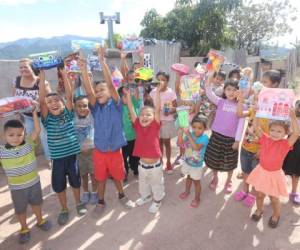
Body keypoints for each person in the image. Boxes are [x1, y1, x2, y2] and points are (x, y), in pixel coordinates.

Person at [79, 47, 134, 215]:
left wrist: (102, 61)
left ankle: (122, 195)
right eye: (97, 91)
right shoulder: (95, 108)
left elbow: (110, 83)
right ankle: (101, 201)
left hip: (115, 151)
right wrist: (83, 70)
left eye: (101, 90)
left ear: (111, 92)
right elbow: (88, 91)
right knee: (100, 178)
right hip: (100, 151)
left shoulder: (116, 104)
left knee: (118, 176)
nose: (98, 92)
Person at [39, 69, 87, 226]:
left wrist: (63, 73)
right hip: (58, 160)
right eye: (49, 102)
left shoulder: (67, 113)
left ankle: (79, 203)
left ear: (63, 103)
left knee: (75, 182)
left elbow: (69, 93)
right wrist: (42, 77)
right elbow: (41, 101)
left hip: (72, 157)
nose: (53, 104)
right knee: (59, 186)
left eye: (56, 101)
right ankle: (64, 209)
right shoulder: (47, 119)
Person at [0, 106, 52, 244]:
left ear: (24, 134)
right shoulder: (2, 151)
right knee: (20, 209)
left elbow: (37, 130)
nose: (16, 138)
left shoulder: (29, 143)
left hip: (34, 183)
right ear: (4, 136)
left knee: (36, 204)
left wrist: (34, 112)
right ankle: (24, 228)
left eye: (19, 134)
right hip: (17, 188)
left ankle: (40, 220)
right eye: (11, 135)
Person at [234, 69, 283, 206]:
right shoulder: (253, 109)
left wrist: (262, 150)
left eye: (265, 82)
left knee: (256, 176)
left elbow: (275, 135)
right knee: (245, 171)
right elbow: (239, 114)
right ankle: (245, 190)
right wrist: (241, 100)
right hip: (246, 147)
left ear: (274, 84)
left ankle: (252, 195)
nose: (261, 84)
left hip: (260, 151)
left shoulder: (274, 112)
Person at [247, 109, 299, 228]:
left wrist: (292, 116)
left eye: (279, 131)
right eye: (273, 130)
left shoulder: (285, 144)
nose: (275, 133)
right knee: (259, 195)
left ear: (286, 133)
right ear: (269, 130)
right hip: (261, 172)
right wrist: (257, 113)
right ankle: (259, 210)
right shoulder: (265, 138)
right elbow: (256, 126)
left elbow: (296, 133)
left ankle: (276, 215)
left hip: (274, 175)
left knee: (274, 198)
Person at [124, 83, 165, 213]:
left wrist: (157, 93)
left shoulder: (155, 126)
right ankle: (146, 197)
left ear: (154, 118)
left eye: (148, 115)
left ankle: (157, 201)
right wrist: (128, 96)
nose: (145, 117)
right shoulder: (137, 126)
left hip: (155, 166)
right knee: (143, 183)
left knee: (156, 184)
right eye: (142, 114)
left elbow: (157, 109)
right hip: (142, 165)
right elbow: (131, 109)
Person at [204, 73, 245, 193]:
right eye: (228, 89)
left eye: (234, 90)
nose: (231, 92)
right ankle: (215, 178)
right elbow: (208, 91)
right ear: (224, 90)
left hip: (231, 140)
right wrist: (210, 76)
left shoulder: (241, 106)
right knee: (213, 160)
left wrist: (237, 141)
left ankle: (228, 181)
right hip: (216, 137)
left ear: (239, 91)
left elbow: (241, 125)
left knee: (230, 163)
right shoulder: (220, 102)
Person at [13, 58, 51, 167]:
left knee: (44, 137)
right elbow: (15, 95)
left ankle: (49, 159)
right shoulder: (17, 80)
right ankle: (29, 159)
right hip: (26, 116)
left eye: (25, 66)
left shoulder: (41, 82)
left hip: (40, 116)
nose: (22, 69)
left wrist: (37, 102)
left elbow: (49, 98)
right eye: (20, 67)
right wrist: (16, 109)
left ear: (32, 68)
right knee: (28, 137)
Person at [178, 114, 209, 208]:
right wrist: (180, 133)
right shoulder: (190, 134)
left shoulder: (204, 138)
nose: (196, 130)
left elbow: (196, 148)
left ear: (205, 128)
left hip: (197, 166)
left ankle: (197, 198)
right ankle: (187, 191)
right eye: (194, 127)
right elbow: (180, 144)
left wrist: (187, 134)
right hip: (187, 162)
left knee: (196, 182)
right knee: (188, 178)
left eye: (199, 128)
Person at [150, 71, 177, 174]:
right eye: (159, 80)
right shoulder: (153, 92)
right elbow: (150, 106)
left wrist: (170, 111)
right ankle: (160, 161)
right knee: (158, 142)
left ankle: (169, 163)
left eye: (163, 80)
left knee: (167, 143)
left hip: (167, 121)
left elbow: (175, 107)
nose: (161, 82)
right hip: (156, 121)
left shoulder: (171, 92)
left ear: (167, 81)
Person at [74, 95, 98, 205]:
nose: (82, 108)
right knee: (83, 175)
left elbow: (93, 99)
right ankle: (85, 192)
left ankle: (94, 192)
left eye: (85, 106)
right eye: (79, 106)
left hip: (92, 152)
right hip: (79, 154)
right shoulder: (73, 118)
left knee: (93, 175)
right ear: (74, 107)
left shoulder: (92, 116)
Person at [118, 86, 141, 181]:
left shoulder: (133, 103)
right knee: (123, 158)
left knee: (135, 156)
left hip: (134, 137)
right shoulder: (118, 107)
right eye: (124, 96)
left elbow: (136, 92)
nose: (127, 97)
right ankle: (125, 172)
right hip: (123, 139)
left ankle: (135, 168)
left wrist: (135, 84)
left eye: (128, 95)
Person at [283, 100, 300, 205]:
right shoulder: (291, 117)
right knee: (282, 170)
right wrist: (292, 118)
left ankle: (293, 192)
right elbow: (289, 132)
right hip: (290, 145)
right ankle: (274, 190)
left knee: (297, 173)